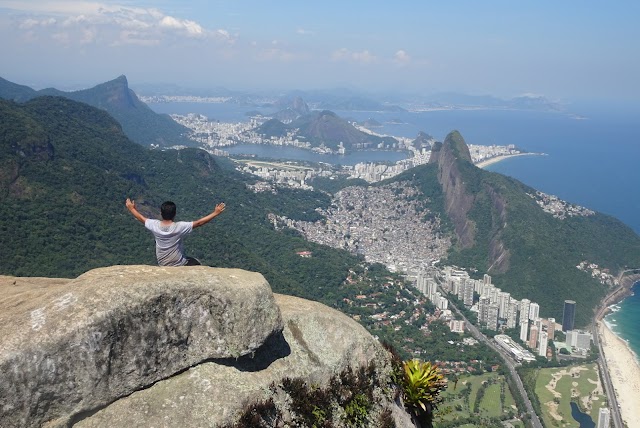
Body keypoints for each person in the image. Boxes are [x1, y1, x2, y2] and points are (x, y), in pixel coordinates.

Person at [125, 198, 226, 266]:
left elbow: (140, 218)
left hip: (162, 263)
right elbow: (200, 223)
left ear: (161, 213)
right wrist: (215, 213)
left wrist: (131, 208)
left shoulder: (154, 225)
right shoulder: (179, 227)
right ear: (175, 214)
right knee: (197, 264)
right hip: (179, 264)